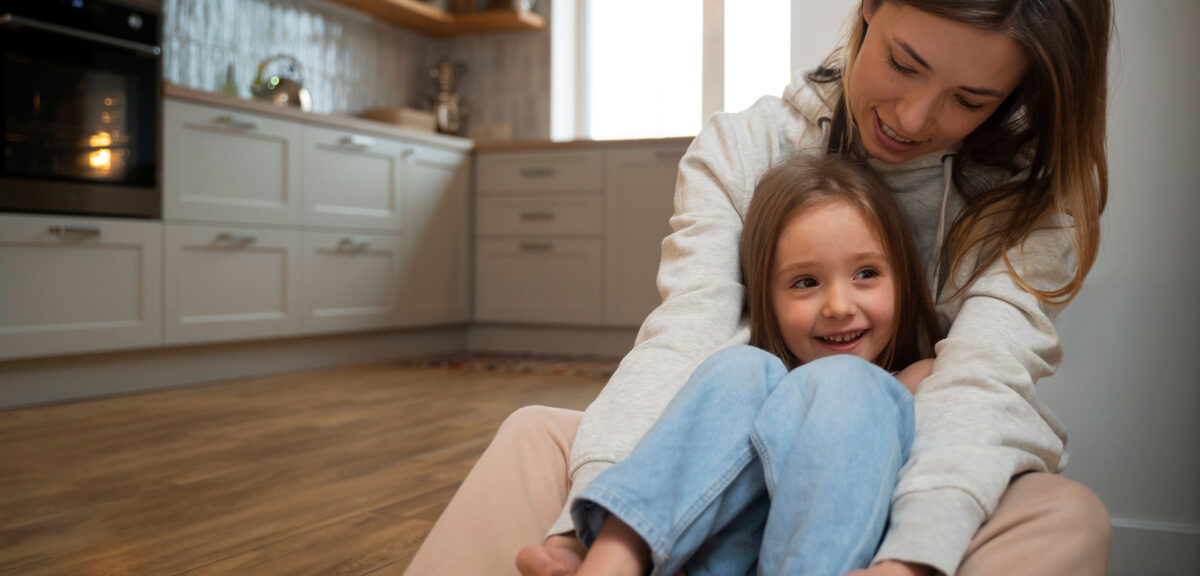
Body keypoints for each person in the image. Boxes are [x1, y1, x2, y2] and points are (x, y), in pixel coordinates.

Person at [405, 1, 1113, 574]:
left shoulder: (1028, 203)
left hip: (907, 473)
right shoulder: (742, 148)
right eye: (904, 63)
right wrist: (584, 532)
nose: (913, 118)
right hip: (725, 455)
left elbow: (982, 387)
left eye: (968, 100)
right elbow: (689, 338)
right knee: (535, 435)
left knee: (1066, 516)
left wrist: (911, 558)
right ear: (869, 9)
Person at [562, 153, 944, 576]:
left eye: (866, 273)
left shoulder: (918, 381)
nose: (839, 306)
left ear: (903, 280)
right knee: (741, 368)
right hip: (707, 560)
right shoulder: (756, 378)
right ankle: (614, 557)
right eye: (806, 282)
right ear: (767, 299)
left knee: (844, 381)